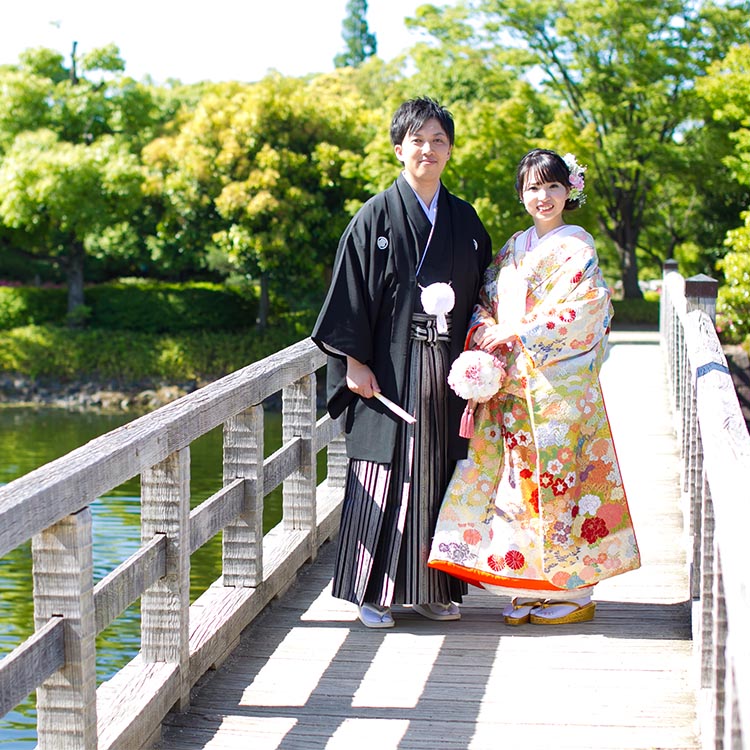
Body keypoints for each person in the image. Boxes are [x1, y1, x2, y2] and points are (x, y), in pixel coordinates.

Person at [428, 148, 641, 625]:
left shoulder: (578, 247)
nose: (542, 197)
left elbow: (588, 311)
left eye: (552, 187)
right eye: (532, 188)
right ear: (521, 194)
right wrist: (485, 327)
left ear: (569, 192)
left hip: (557, 391)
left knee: (562, 486)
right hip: (511, 388)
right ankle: (528, 584)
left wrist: (519, 331)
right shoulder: (513, 247)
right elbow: (484, 298)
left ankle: (576, 592)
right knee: (516, 488)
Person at [312, 97, 493, 628]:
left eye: (438, 141)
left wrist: (484, 359)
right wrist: (353, 362)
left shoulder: (465, 219)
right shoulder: (374, 216)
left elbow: (485, 296)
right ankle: (373, 594)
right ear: (399, 149)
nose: (428, 150)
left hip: (448, 368)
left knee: (439, 471)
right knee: (384, 473)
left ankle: (434, 588)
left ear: (450, 151)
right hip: (390, 367)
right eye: (418, 140)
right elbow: (350, 293)